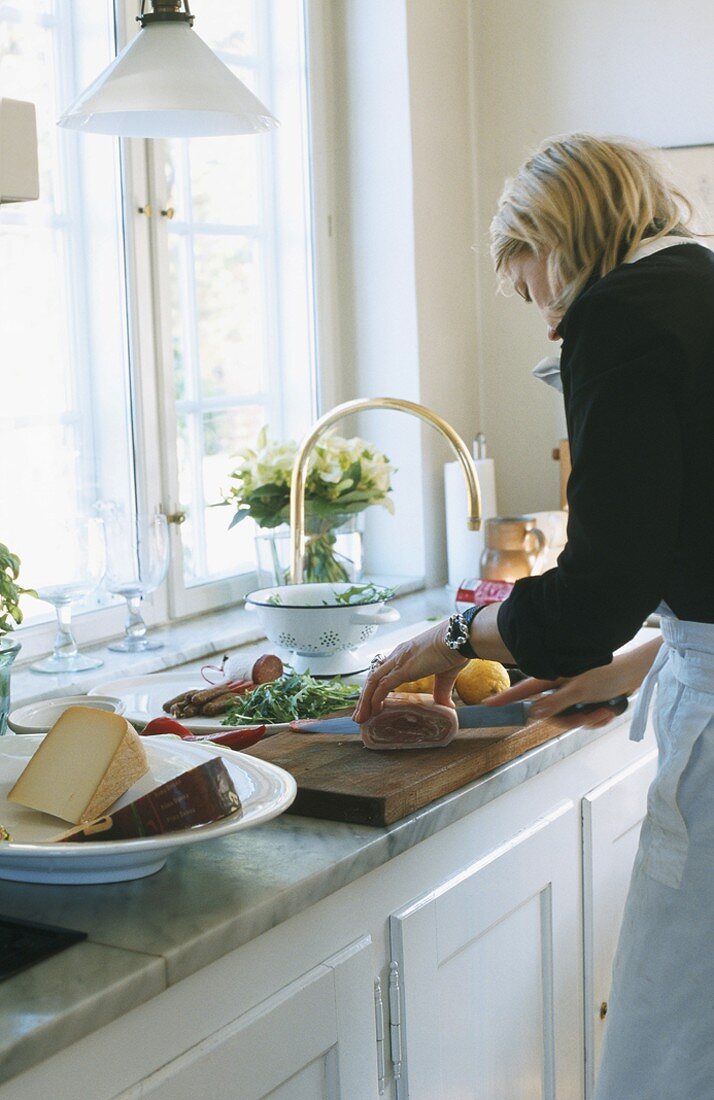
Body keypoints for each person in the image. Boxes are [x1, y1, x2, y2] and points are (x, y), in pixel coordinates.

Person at [354, 133, 714, 1100]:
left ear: (551, 242)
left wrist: (458, 633)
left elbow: (595, 587)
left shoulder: (621, 314)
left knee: (672, 1040)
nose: (548, 324)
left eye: (530, 290)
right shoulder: (703, 285)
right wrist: (637, 663)